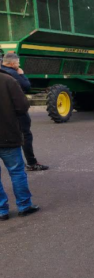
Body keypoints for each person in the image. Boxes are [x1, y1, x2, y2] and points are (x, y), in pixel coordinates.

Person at [0, 68, 40, 221]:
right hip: (8, 134)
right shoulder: (8, 80)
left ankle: (1, 210)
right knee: (16, 172)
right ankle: (24, 206)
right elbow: (22, 106)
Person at [1, 53, 49, 171]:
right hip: (14, 113)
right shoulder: (12, 74)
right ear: (12, 63)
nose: (19, 65)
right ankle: (31, 162)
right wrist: (21, 74)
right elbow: (26, 86)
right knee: (25, 135)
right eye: (18, 63)